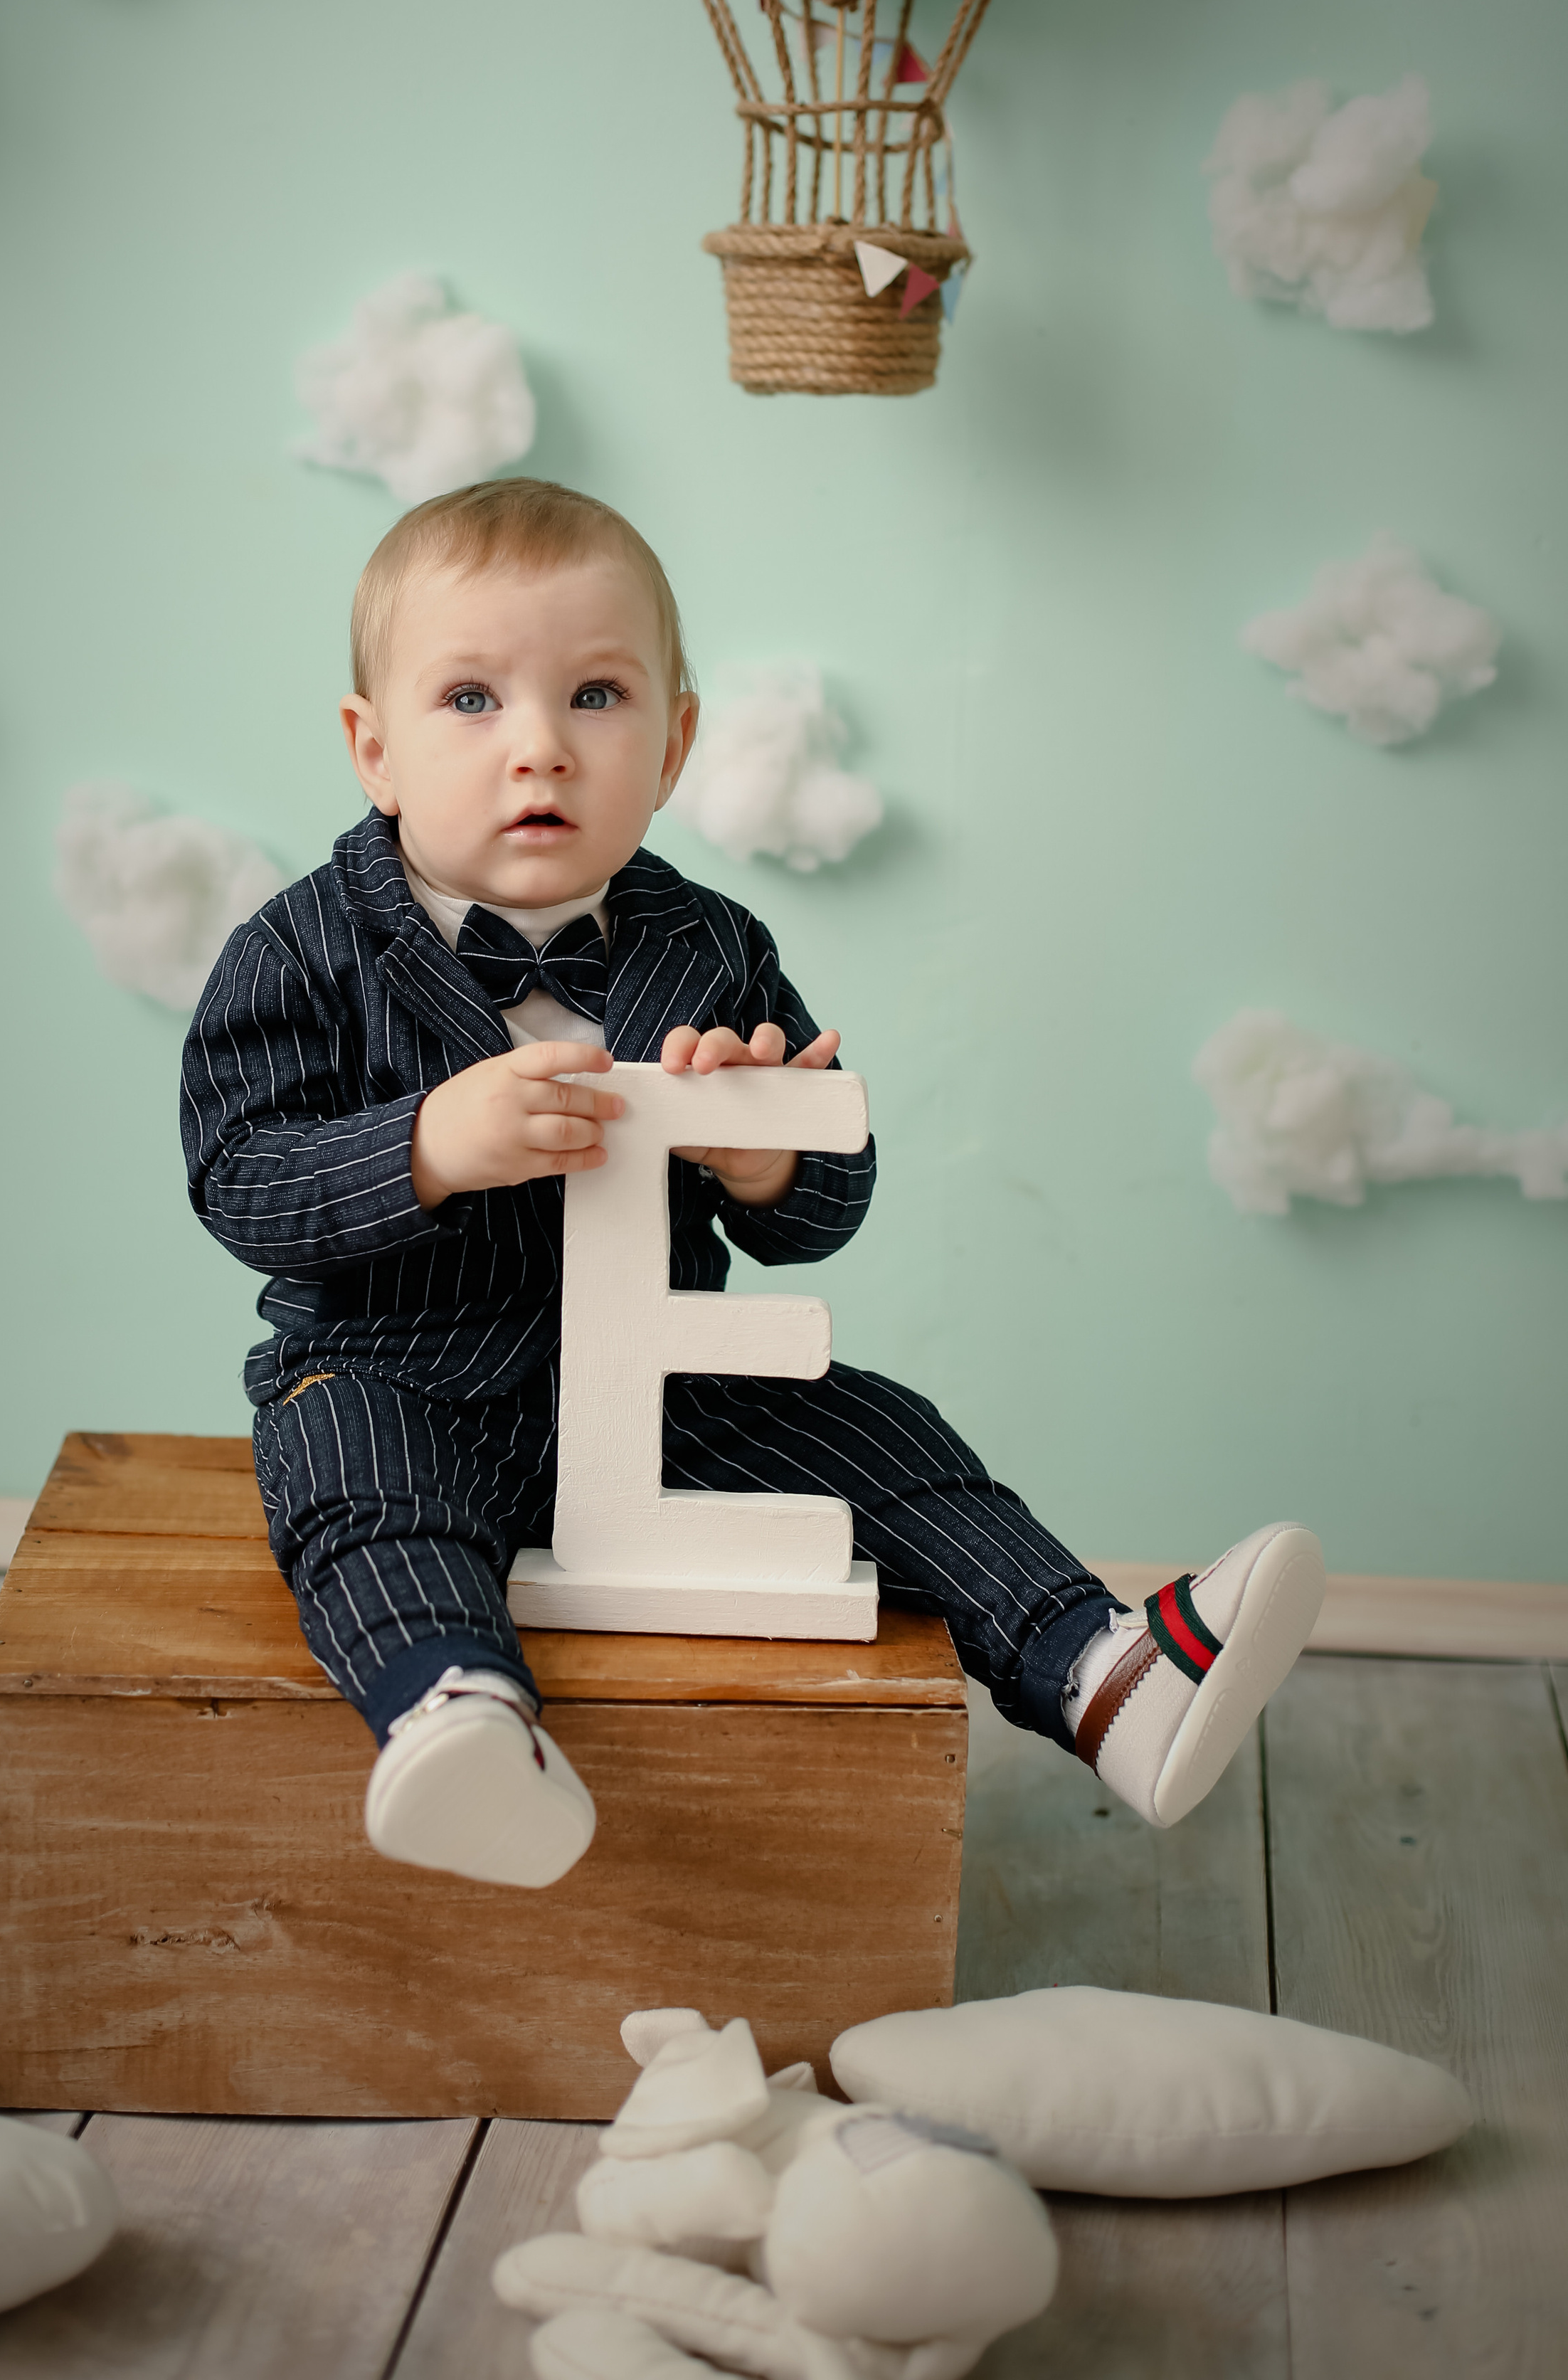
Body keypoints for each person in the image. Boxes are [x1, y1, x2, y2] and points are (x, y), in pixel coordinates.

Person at [181, 479, 1324, 1890]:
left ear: (673, 744)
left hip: (661, 1385)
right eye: (470, 700)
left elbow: (823, 1209)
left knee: (879, 1436)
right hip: (398, 1371)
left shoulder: (711, 946)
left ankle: (1099, 1672)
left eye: (593, 697)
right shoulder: (299, 952)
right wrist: (425, 1145)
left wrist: (765, 1150)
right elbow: (237, 1178)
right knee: (354, 1489)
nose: (537, 747)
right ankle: (458, 1714)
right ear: (375, 749)